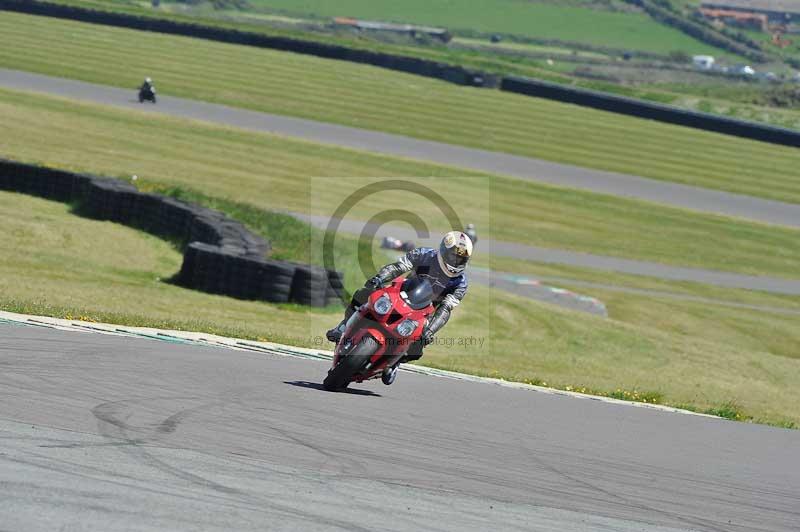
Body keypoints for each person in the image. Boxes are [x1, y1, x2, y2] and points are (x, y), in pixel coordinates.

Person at [326, 231, 473, 362]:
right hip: (401, 293)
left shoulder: (461, 283)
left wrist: (430, 330)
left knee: (416, 348)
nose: (456, 262)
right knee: (365, 293)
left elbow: (446, 309)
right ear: (444, 250)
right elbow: (398, 267)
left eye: (460, 260)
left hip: (424, 313)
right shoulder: (424, 254)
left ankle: (392, 363)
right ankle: (343, 326)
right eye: (454, 257)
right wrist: (378, 279)